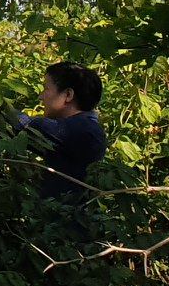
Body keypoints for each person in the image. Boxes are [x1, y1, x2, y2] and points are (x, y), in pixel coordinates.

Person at [16, 61, 107, 200]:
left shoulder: (81, 130)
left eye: (46, 88)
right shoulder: (88, 128)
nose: (41, 96)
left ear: (68, 95)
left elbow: (25, 126)